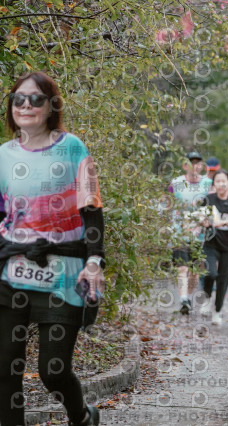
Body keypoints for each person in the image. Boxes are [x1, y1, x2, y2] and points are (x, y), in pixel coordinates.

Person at [0, 71, 104, 425]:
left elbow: (92, 210)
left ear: (51, 105)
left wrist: (95, 260)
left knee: (53, 370)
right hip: (11, 272)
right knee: (5, 369)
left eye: (36, 99)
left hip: (62, 274)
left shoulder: (73, 148)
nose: (26, 106)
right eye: (18, 99)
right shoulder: (3, 155)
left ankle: (82, 416)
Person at [169, 151, 212, 315]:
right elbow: (167, 204)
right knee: (182, 268)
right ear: (184, 165)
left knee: (194, 272)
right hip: (179, 233)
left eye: (197, 163)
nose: (194, 166)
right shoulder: (176, 183)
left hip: (200, 235)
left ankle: (187, 296)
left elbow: (212, 205)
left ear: (201, 166)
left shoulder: (208, 183)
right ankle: (183, 299)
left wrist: (208, 220)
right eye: (191, 162)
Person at [201, 170, 228, 324]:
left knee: (223, 279)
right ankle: (207, 298)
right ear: (214, 184)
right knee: (210, 273)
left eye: (224, 181)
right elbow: (201, 217)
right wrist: (205, 222)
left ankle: (217, 312)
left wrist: (220, 223)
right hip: (210, 244)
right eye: (218, 181)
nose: (221, 184)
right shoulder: (208, 199)